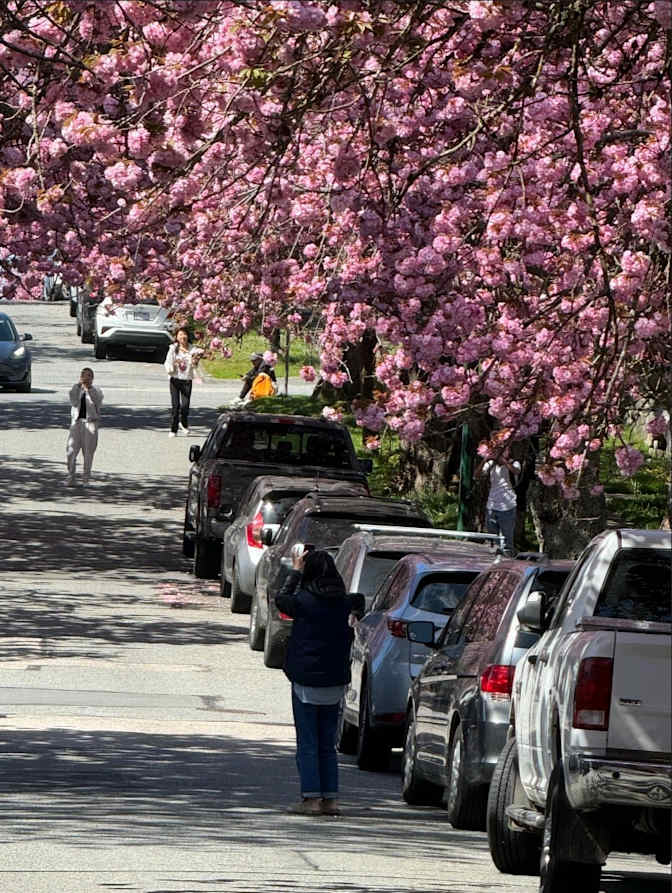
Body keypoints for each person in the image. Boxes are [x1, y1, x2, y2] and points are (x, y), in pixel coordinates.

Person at [275, 548, 364, 817]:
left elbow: (281, 599)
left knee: (308, 742)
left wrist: (295, 571)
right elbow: (359, 600)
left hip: (305, 680)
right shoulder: (345, 603)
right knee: (327, 743)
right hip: (334, 682)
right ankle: (330, 799)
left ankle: (311, 798)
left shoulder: (303, 601)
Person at [477, 452, 521, 556]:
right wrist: (485, 460)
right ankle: (495, 556)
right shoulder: (491, 464)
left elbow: (516, 471)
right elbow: (477, 475)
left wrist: (504, 462)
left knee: (507, 538)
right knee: (493, 538)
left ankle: (508, 556)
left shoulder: (514, 463)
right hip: (492, 505)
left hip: (508, 505)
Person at [66, 367, 103, 486]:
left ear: (92, 378)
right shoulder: (76, 388)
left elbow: (96, 401)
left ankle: (86, 478)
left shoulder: (96, 391)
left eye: (89, 376)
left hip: (90, 423)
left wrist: (89, 389)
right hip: (77, 423)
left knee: (88, 452)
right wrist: (79, 386)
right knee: (71, 450)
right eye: (84, 375)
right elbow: (73, 401)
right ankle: (71, 476)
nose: (86, 378)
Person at [164, 326, 203, 437]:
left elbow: (195, 363)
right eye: (180, 334)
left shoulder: (193, 349)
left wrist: (195, 360)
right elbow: (167, 362)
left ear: (188, 336)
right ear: (177, 337)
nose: (183, 336)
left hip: (186, 380)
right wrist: (171, 367)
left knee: (185, 406)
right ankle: (173, 429)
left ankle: (184, 424)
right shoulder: (173, 348)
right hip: (175, 380)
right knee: (175, 406)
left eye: (184, 334)